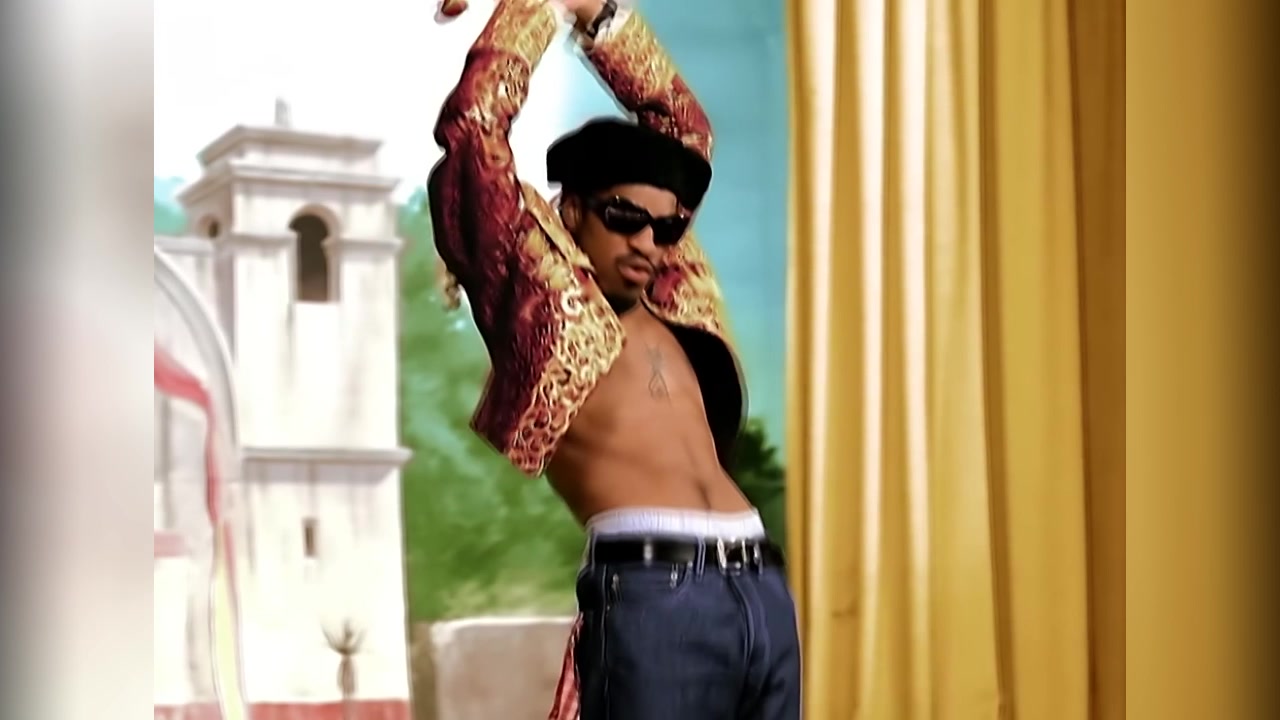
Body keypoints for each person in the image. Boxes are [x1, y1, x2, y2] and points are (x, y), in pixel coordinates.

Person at [428, 0, 801, 718]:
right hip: (656, 597)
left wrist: (596, 15)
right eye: (623, 218)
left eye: (665, 228)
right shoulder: (534, 292)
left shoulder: (670, 288)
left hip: (761, 590)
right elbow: (474, 132)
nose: (647, 244)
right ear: (570, 210)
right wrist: (537, 8)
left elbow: (682, 137)